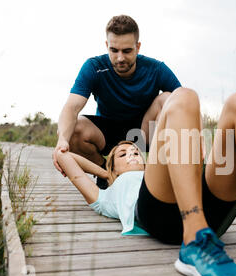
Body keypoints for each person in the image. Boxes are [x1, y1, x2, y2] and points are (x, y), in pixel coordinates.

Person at [55, 87, 236, 276]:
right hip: (161, 215)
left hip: (210, 210)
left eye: (135, 151)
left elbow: (171, 158)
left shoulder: (155, 169)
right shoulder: (107, 194)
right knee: (183, 97)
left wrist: (126, 165)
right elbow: (69, 162)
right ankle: (194, 242)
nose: (134, 154)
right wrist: (106, 173)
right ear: (113, 170)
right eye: (123, 155)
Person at [52, 15, 181, 189]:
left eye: (127, 51)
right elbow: (71, 107)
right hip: (107, 135)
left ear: (138, 47)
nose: (120, 58)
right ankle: (108, 174)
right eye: (114, 50)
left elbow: (184, 103)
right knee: (72, 130)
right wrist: (62, 142)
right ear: (107, 46)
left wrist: (197, 137)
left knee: (168, 99)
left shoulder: (156, 69)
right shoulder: (94, 67)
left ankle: (154, 177)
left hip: (142, 135)